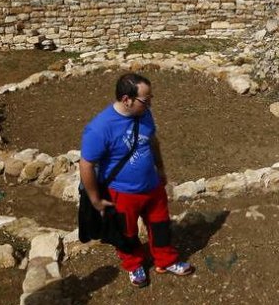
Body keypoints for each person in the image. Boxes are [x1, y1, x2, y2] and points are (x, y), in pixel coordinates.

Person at [79, 73, 194, 288]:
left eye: (150, 98)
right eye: (145, 100)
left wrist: (160, 168)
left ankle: (165, 260)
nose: (149, 104)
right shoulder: (99, 128)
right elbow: (86, 165)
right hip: (122, 192)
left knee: (160, 225)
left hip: (152, 186)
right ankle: (134, 264)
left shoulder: (144, 114)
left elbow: (152, 141)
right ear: (127, 100)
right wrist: (95, 199)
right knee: (127, 232)